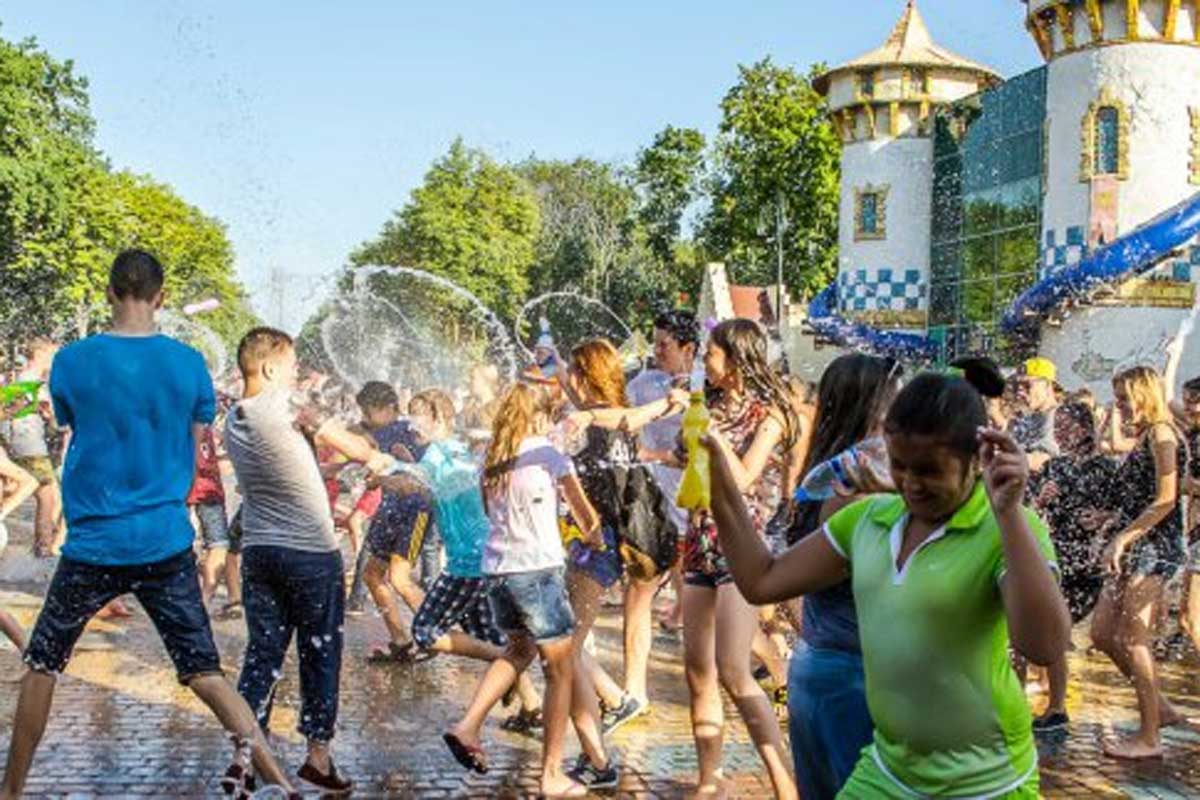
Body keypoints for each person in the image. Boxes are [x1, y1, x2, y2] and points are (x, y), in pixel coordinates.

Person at [0, 250, 297, 799]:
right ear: (160, 298)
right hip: (164, 540)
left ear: (111, 293)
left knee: (42, 664)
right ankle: (281, 782)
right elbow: (195, 437)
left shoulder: (72, 360)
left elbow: (69, 423)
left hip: (92, 542)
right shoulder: (187, 364)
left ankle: (12, 792)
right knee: (204, 672)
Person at [709, 370, 1069, 798]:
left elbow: (1045, 646)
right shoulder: (869, 520)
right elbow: (761, 580)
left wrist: (1008, 513)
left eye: (931, 471)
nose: (912, 483)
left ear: (978, 459)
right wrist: (715, 475)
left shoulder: (1008, 528)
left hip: (987, 780)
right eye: (900, 465)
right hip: (890, 770)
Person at [223, 326, 391, 795]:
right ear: (271, 366)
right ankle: (318, 757)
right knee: (320, 652)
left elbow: (285, 467)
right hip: (310, 555)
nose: (298, 375)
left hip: (260, 552)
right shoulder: (292, 406)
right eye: (293, 365)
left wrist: (331, 470)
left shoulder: (235, 418)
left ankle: (244, 757)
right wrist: (372, 461)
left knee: (263, 654)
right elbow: (360, 447)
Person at [445, 382, 611, 798]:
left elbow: (490, 512)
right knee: (560, 671)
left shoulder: (492, 456)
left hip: (497, 572)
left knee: (518, 651)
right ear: (540, 415)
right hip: (537, 571)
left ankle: (467, 726)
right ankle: (551, 774)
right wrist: (596, 540)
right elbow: (583, 514)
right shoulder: (550, 455)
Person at [678, 319, 799, 800]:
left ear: (736, 359)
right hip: (699, 543)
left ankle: (784, 783)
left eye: (710, 353)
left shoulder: (769, 414)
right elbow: (688, 465)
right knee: (697, 671)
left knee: (733, 669)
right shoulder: (706, 405)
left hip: (743, 548)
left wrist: (711, 436)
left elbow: (746, 478)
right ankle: (708, 779)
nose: (703, 361)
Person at [377, 389, 542, 718]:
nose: (411, 424)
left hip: (466, 565)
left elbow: (416, 485)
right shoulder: (459, 453)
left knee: (426, 632)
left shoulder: (441, 454)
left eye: (418, 416)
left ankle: (503, 661)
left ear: (439, 418)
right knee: (488, 633)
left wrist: (384, 477)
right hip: (485, 560)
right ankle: (532, 705)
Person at [557, 339, 686, 746]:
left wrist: (669, 403)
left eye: (575, 373)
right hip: (637, 526)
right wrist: (556, 365)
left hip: (614, 535)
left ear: (586, 375)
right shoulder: (597, 410)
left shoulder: (607, 415)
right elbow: (598, 405)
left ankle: (615, 704)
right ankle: (633, 694)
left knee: (567, 638)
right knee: (620, 617)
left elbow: (626, 420)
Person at [783, 353, 900, 799]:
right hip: (860, 674)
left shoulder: (825, 471)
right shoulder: (862, 482)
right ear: (876, 405)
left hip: (814, 664)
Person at [1085, 366, 1188, 759]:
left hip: (1154, 546)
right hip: (1134, 544)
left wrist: (1124, 536)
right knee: (1101, 634)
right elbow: (1135, 496)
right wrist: (1110, 522)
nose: (1121, 406)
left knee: (1135, 639)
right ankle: (1158, 708)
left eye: (1125, 398)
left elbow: (1165, 499)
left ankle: (1150, 737)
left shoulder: (1163, 434)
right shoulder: (1147, 434)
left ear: (1145, 395)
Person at [1029, 401, 1117, 732]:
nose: (1059, 434)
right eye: (1057, 428)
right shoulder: (1055, 467)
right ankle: (1047, 701)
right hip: (1056, 558)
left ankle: (1057, 706)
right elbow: (1031, 515)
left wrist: (1104, 518)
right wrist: (1041, 500)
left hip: (1087, 566)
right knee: (1046, 629)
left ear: (1085, 428)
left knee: (1056, 630)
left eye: (1066, 427)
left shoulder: (1107, 469)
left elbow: (1125, 510)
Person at [628, 310, 698, 639]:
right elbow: (626, 422)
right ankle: (686, 623)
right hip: (658, 495)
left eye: (664, 345)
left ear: (689, 348)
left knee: (691, 571)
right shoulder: (643, 384)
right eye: (655, 344)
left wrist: (654, 455)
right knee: (673, 568)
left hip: (696, 496)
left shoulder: (704, 383)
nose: (656, 352)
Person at [1, 338, 61, 558]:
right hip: (28, 443)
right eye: (54, 354)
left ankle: (46, 547)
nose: (56, 360)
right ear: (42, 354)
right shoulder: (29, 381)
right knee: (47, 495)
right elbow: (11, 410)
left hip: (23, 441)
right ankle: (43, 550)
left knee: (50, 494)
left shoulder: (24, 378)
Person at [189, 423, 242, 618]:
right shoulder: (201, 419)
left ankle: (202, 598)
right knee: (220, 544)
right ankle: (205, 599)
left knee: (218, 544)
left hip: (186, 486)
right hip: (207, 486)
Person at [1173, 376, 1200, 657]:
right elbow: (1168, 401)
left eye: (1194, 401)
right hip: (1194, 534)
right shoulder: (1194, 432)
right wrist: (1174, 355)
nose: (1189, 407)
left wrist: (1185, 486)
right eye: (1187, 400)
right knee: (1187, 619)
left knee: (1190, 619)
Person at [1009, 357, 1060, 472]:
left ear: (1047, 385)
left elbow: (1044, 459)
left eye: (1027, 385)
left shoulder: (1058, 417)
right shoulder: (1028, 417)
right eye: (1017, 386)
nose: (1020, 392)